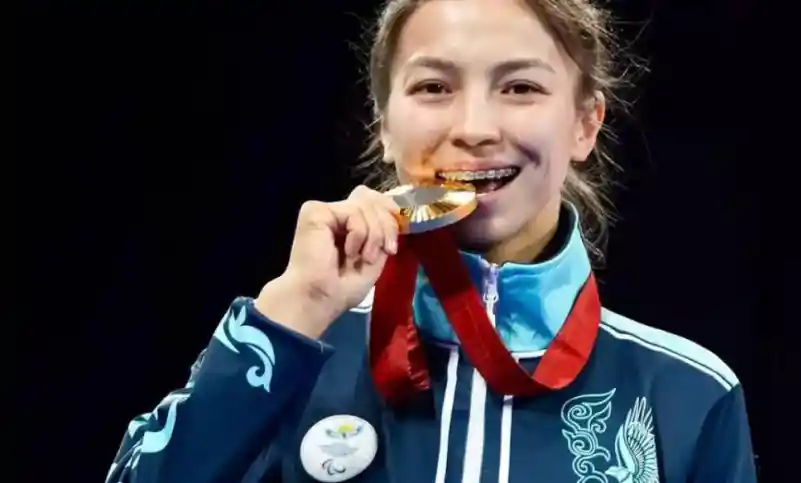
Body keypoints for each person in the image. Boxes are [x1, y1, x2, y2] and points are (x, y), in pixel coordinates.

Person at [106, 0, 757, 482]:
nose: (474, 127)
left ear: (585, 124)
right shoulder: (294, 358)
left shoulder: (687, 393)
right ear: (384, 123)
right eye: (434, 87)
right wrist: (295, 309)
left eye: (520, 87)